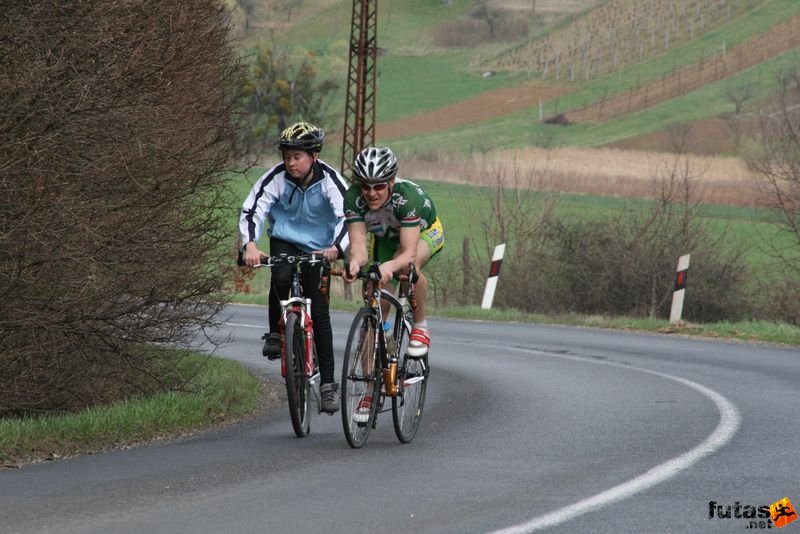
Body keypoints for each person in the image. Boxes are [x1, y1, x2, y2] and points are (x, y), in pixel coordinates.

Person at [239, 121, 349, 414]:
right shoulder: (276, 178)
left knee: (320, 311)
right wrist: (249, 244)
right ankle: (276, 334)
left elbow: (348, 216)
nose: (290, 163)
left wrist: (337, 247)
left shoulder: (330, 180)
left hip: (320, 247)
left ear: (314, 156)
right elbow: (253, 209)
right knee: (281, 274)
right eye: (287, 156)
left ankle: (328, 386)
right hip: (285, 239)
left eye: (297, 156)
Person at [343, 146, 444, 359]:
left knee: (408, 269)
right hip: (387, 239)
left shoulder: (407, 198)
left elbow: (408, 252)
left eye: (379, 186)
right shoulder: (353, 198)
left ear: (391, 182)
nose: (371, 193)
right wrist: (353, 263)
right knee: (374, 300)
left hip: (424, 233)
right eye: (365, 186)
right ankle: (370, 389)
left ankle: (420, 325)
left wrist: (389, 265)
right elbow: (359, 247)